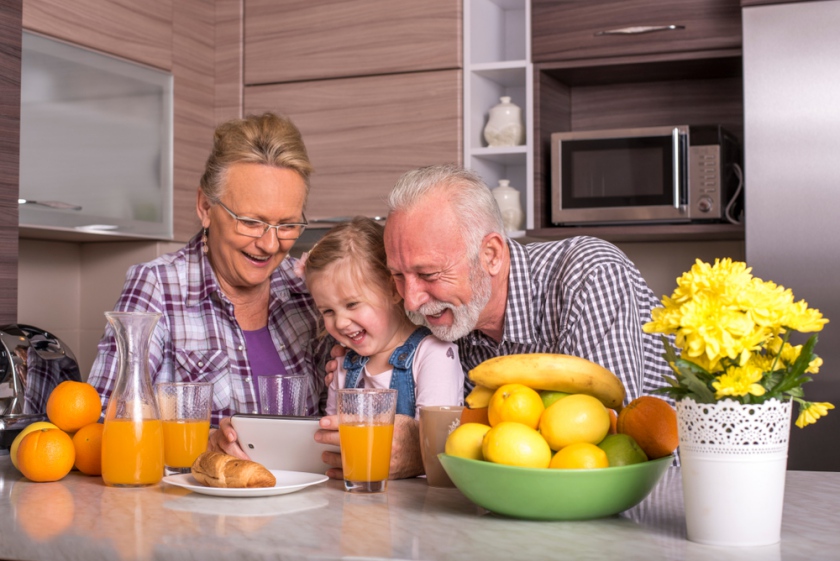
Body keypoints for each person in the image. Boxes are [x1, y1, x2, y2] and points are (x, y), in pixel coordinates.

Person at [314, 163, 672, 479]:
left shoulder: (588, 275)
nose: (411, 300)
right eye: (397, 275)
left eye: (429, 274)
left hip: (658, 501)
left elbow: (606, 446)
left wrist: (425, 451)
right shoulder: (442, 316)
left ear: (491, 255)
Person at [88, 112, 329, 457]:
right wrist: (203, 445)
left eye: (287, 226)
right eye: (251, 222)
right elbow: (102, 423)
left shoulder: (309, 287)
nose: (270, 244)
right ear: (205, 207)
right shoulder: (158, 285)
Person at [301, 217, 464, 421]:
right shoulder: (343, 365)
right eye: (328, 311)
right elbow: (332, 434)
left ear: (393, 290)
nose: (340, 322)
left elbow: (433, 435)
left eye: (352, 304)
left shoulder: (434, 355)